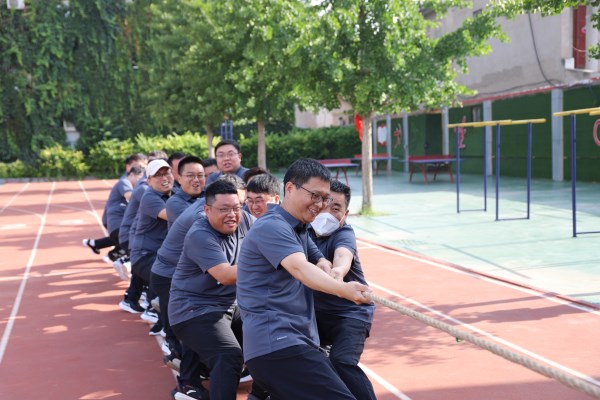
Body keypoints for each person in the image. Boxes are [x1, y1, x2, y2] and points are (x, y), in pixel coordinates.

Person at [237, 158, 372, 399]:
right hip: (279, 344)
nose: (320, 205)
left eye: (325, 198)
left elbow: (318, 259)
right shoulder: (273, 226)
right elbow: (300, 268)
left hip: (291, 343)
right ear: (289, 188)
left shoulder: (299, 228)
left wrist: (330, 269)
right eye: (315, 195)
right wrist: (345, 290)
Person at [169, 179, 253, 400]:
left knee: (271, 332)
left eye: (236, 208)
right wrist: (267, 263)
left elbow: (272, 234)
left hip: (229, 305)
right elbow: (225, 276)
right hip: (193, 310)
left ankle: (262, 394)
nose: (232, 215)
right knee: (229, 356)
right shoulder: (200, 234)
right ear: (207, 210)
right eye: (224, 209)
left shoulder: (244, 220)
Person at [309, 180, 377, 400]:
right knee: (289, 355)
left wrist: (337, 273)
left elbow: (342, 257)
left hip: (350, 313)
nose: (327, 213)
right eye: (325, 204)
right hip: (315, 315)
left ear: (345, 215)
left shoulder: (344, 233)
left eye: (336, 208)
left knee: (342, 361)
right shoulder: (303, 231)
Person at [120, 159, 173, 314]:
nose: (164, 178)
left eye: (167, 173)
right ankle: (153, 307)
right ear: (149, 180)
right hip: (143, 252)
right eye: (158, 175)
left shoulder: (175, 193)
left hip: (157, 252)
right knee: (170, 277)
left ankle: (152, 305)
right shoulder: (148, 195)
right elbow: (173, 216)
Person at [83, 165, 144, 263]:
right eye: (140, 178)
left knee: (126, 241)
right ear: (132, 175)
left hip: (118, 222)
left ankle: (99, 247)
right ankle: (116, 259)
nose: (141, 182)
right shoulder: (124, 182)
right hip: (116, 222)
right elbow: (129, 196)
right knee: (133, 242)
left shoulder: (131, 185)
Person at [166, 155, 206, 228]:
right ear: (179, 179)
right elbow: (199, 224)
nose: (196, 180)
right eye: (190, 175)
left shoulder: (211, 194)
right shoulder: (174, 202)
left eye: (200, 175)